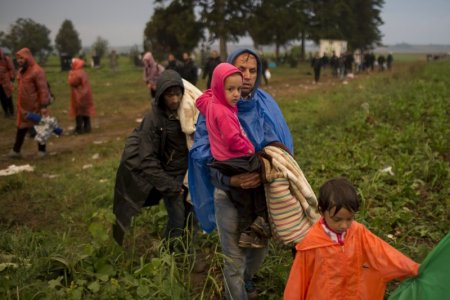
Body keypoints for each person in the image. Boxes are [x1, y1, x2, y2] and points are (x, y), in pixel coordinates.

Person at [188, 48, 294, 299]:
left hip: (260, 193)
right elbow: (202, 152)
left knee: (258, 249)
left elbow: (274, 142)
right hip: (227, 194)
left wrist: (267, 166)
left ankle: (246, 280)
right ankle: (235, 292)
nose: (246, 76)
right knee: (233, 259)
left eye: (252, 70)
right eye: (240, 70)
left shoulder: (262, 105)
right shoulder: (213, 109)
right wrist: (230, 178)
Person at [284, 178, 419, 300]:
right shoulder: (310, 246)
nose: (344, 225)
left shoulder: (358, 233)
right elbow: (296, 285)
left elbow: (384, 255)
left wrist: (412, 268)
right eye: (337, 219)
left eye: (349, 219)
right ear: (321, 211)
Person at [113, 70, 193, 251]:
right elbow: (147, 159)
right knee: (178, 219)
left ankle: (188, 253)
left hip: (189, 176)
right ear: (161, 95)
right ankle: (170, 256)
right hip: (169, 178)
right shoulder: (153, 120)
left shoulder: (188, 112)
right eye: (169, 95)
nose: (174, 99)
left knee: (191, 218)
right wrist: (170, 186)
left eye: (178, 94)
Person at [195, 62, 270, 249]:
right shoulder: (225, 112)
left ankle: (246, 232)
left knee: (241, 197)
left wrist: (213, 92)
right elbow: (232, 138)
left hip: (223, 161)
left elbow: (200, 100)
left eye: (238, 88)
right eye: (230, 89)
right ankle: (262, 219)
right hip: (236, 157)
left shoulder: (211, 104)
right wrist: (250, 149)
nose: (236, 94)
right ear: (220, 88)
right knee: (265, 171)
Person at [8, 48, 50, 159]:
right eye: (18, 58)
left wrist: (44, 106)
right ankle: (16, 151)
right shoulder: (21, 71)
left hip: (36, 106)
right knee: (21, 128)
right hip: (23, 107)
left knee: (40, 128)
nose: (19, 61)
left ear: (28, 57)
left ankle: (42, 151)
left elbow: (43, 89)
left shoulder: (37, 71)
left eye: (22, 58)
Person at [68, 58, 96, 134]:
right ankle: (87, 127)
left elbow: (72, 82)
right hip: (86, 94)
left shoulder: (76, 73)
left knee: (79, 112)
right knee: (86, 111)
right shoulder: (83, 72)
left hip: (79, 95)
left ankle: (79, 128)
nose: (71, 65)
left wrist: (70, 75)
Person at [0, 49, 16, 118]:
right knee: (2, 98)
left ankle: (12, 112)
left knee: (8, 97)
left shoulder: (6, 59)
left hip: (6, 81)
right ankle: (6, 112)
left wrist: (11, 78)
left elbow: (11, 69)